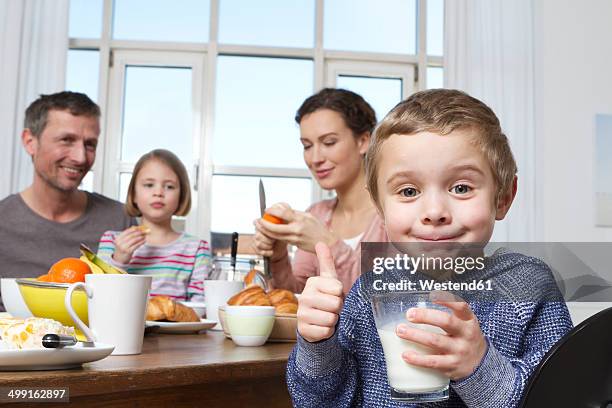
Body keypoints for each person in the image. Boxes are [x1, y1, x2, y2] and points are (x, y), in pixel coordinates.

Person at [286, 89, 573, 407]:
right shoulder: (368, 292)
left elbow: (560, 396)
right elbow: (319, 402)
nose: (434, 211)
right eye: (408, 191)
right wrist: (317, 344)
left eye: (461, 187)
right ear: (380, 208)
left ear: (503, 196)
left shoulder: (528, 287)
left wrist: (479, 367)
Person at [252, 88, 386, 294]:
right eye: (307, 145)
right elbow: (299, 297)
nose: (315, 158)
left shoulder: (392, 215)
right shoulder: (317, 213)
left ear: (363, 141)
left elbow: (386, 297)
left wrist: (327, 244)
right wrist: (278, 257)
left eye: (329, 142)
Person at [0, 92, 134, 286]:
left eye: (90, 144)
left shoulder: (120, 220)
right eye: (66, 140)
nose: (80, 157)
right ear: (30, 142)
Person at [97, 149, 210, 302]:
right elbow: (100, 297)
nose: (158, 192)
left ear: (181, 196)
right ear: (134, 194)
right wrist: (119, 260)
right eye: (149, 185)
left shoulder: (196, 249)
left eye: (169, 187)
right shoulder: (112, 242)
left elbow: (201, 305)